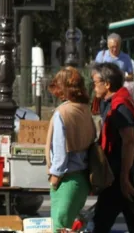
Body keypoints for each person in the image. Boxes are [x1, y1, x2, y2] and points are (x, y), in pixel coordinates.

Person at [45, 67, 96, 231]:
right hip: (82, 179)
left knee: (59, 228)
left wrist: (55, 178)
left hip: (67, 179)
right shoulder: (84, 110)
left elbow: (60, 149)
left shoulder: (63, 113)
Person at [91, 62, 134, 232]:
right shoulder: (111, 102)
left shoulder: (121, 106)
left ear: (107, 84)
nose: (94, 87)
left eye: (95, 82)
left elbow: (130, 141)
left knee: (101, 223)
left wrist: (125, 177)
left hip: (122, 176)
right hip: (116, 174)